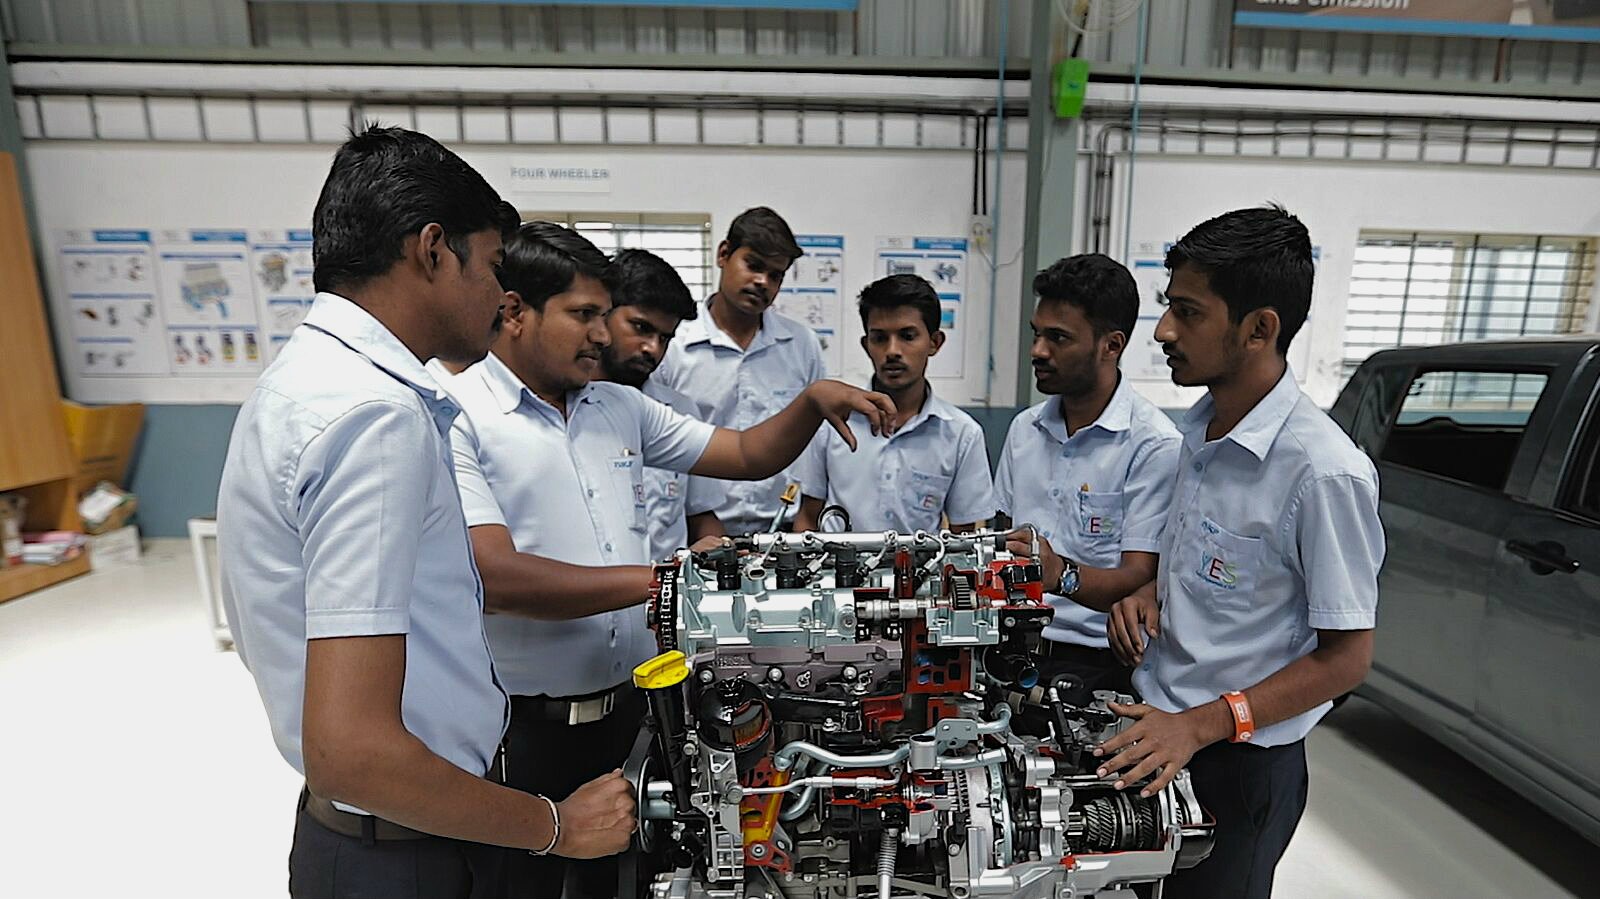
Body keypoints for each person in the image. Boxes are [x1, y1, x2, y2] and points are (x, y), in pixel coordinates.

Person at [215, 126, 633, 899]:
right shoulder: (375, 416)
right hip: (412, 854)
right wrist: (557, 825)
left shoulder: (300, 385)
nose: (502, 298)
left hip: (373, 833)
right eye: (495, 267)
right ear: (434, 250)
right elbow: (355, 750)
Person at [439, 222, 895, 898]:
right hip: (519, 728)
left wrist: (809, 402)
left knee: (618, 880)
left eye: (603, 315)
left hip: (629, 713)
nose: (603, 335)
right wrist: (668, 578)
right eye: (584, 315)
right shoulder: (459, 413)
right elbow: (496, 577)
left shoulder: (619, 408)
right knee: (518, 883)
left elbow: (745, 454)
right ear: (513, 312)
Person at [1095, 205, 1385, 899]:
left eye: (1188, 313)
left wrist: (1198, 725)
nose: (1163, 331)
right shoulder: (1198, 429)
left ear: (1259, 328)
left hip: (1238, 762)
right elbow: (1209, 562)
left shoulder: (1321, 472)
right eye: (1169, 307)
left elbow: (1347, 658)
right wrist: (1149, 588)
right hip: (1158, 732)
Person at [997, 254, 1182, 697]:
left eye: (1058, 338)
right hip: (1008, 645)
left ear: (1111, 345)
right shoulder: (1025, 430)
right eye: (1037, 334)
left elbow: (1139, 577)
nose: (1037, 351)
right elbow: (998, 536)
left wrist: (1060, 574)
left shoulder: (1153, 444)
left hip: (1098, 662)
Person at [653, 206, 822, 534]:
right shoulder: (674, 344)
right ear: (724, 254)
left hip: (784, 532)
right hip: (698, 535)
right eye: (754, 266)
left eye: (776, 275)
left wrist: (806, 522)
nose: (763, 282)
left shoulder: (801, 344)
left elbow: (818, 441)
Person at [792, 274, 994, 534]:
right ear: (866, 345)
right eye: (879, 338)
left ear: (934, 343)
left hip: (919, 572)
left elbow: (963, 538)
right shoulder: (832, 421)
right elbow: (807, 519)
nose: (892, 351)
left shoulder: (962, 435)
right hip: (835, 571)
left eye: (907, 336)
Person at [598, 249, 728, 561]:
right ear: (603, 313)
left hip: (669, 601)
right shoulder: (565, 406)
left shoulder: (681, 412)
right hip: (594, 602)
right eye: (640, 328)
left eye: (665, 337)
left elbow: (701, 516)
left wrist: (716, 550)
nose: (652, 349)